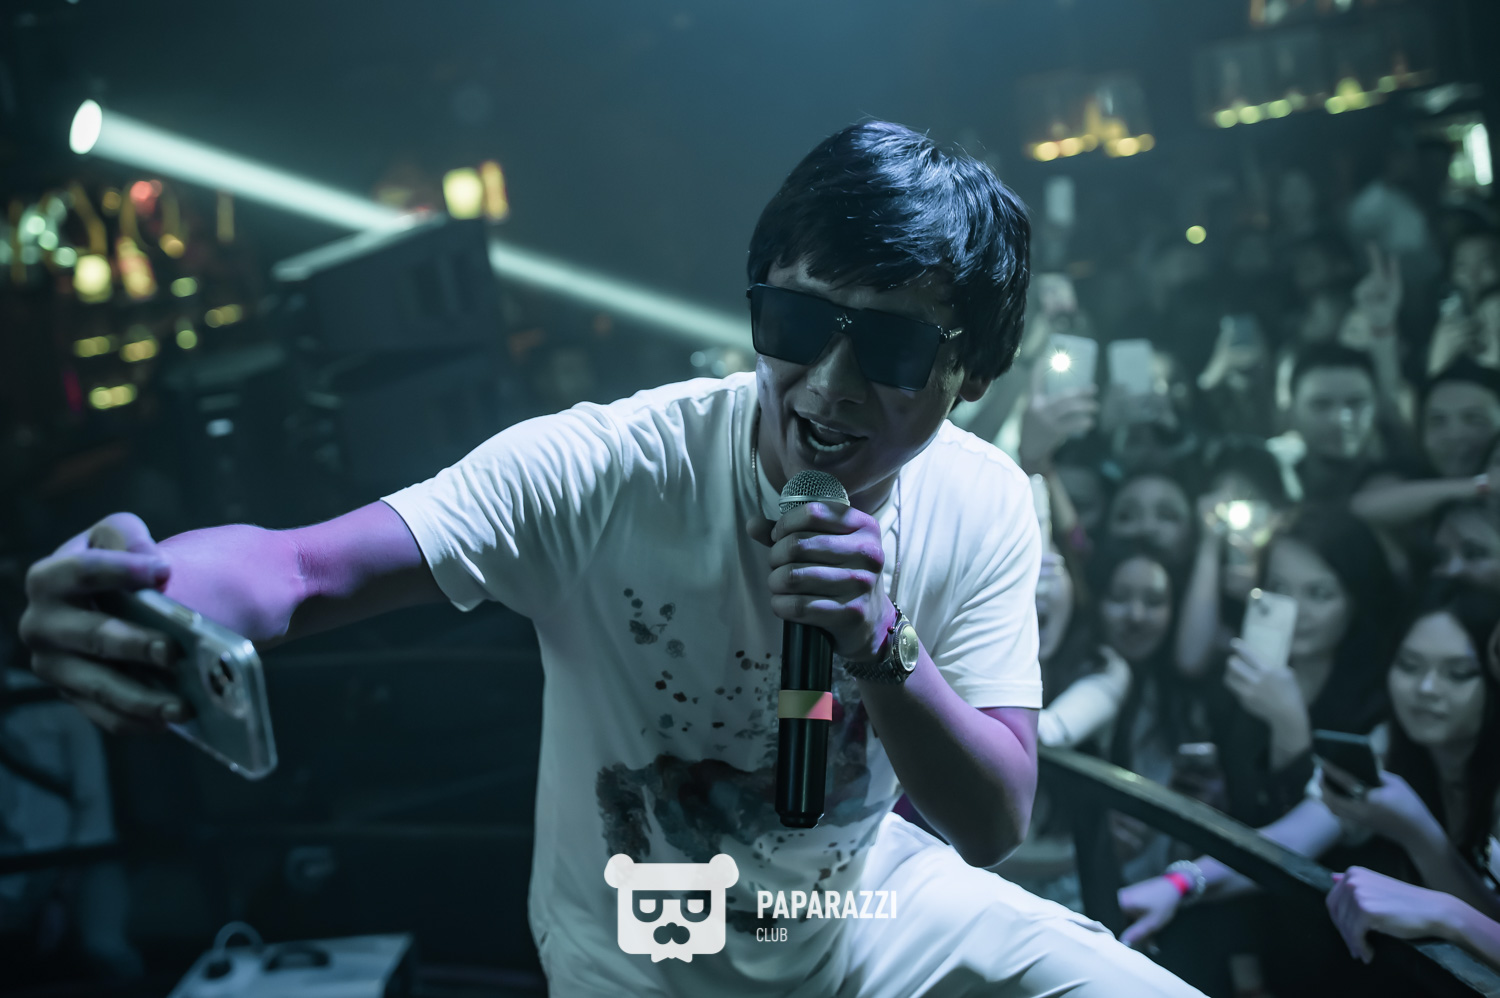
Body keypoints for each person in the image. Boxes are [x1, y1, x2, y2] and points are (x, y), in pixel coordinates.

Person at [18, 122, 1202, 997]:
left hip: (863, 913)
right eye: (798, 323)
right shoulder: (609, 467)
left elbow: (994, 817)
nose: (830, 386)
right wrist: (143, 587)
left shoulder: (984, 498)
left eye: (890, 347)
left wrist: (878, 639)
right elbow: (301, 569)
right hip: (642, 953)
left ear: (971, 372)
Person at [1118, 582, 1500, 970]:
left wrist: (1416, 832)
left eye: (1458, 673)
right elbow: (1293, 838)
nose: (1427, 688)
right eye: (1410, 666)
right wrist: (1179, 883)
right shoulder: (1388, 745)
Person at [1203, 506, 1402, 828]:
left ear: (1356, 599)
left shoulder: (1378, 706)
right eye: (1279, 589)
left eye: (1319, 594)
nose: (1295, 611)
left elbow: (1318, 834)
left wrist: (1290, 729)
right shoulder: (1245, 673)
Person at [1350, 360, 1500, 530]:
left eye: (1474, 419)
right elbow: (1365, 506)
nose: (1454, 435)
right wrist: (1483, 485)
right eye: (1437, 421)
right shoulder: (1406, 477)